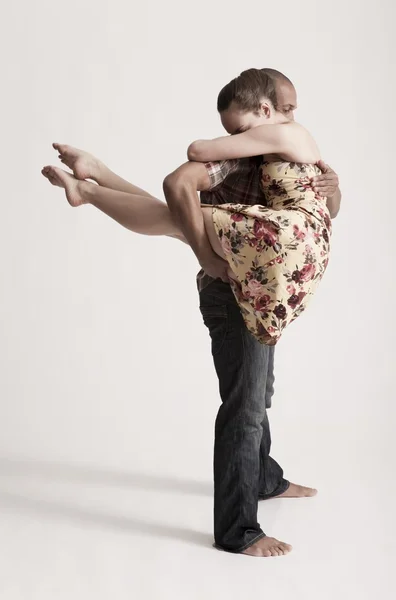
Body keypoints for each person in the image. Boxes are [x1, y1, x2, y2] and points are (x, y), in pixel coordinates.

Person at [41, 68, 341, 558]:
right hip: (232, 289)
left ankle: (265, 478)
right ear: (265, 111)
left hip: (262, 278)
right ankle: (238, 531)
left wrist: (331, 186)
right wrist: (205, 255)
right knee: (244, 406)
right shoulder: (235, 158)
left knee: (258, 392)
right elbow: (182, 178)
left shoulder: (281, 150)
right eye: (283, 109)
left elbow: (329, 205)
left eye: (291, 109)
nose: (291, 116)